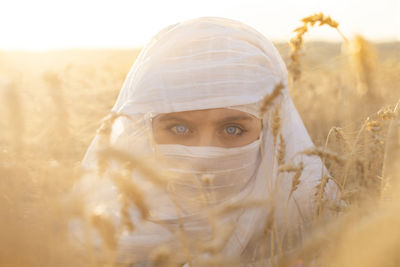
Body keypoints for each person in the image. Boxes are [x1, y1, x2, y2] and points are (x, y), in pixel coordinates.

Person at [74, 17, 338, 266]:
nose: (203, 154)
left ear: (269, 131)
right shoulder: (101, 237)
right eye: (179, 128)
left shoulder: (314, 232)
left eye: (232, 129)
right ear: (144, 128)